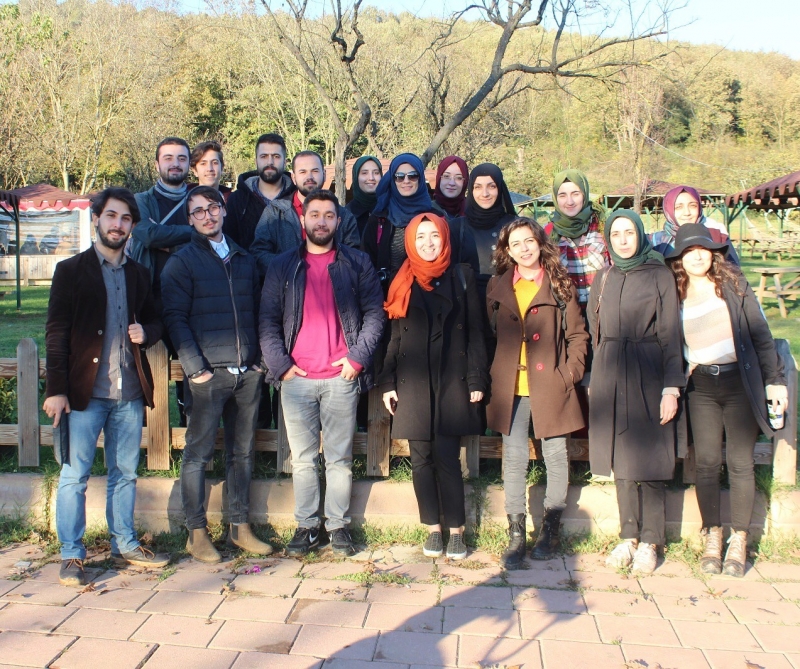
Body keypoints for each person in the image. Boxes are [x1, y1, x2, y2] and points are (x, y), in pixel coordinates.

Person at [43, 187, 169, 587]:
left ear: (132, 226)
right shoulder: (70, 271)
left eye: (126, 219)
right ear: (96, 218)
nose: (118, 225)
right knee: (74, 476)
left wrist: (146, 332)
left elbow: (158, 321)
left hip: (128, 392)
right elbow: (56, 333)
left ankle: (124, 545)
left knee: (125, 472)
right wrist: (56, 390)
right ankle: (71, 554)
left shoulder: (140, 274)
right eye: (112, 216)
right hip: (84, 394)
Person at [260, 189, 385, 556]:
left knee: (339, 459)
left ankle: (338, 526)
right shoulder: (283, 265)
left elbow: (375, 314)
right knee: (302, 459)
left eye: (329, 215)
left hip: (340, 378)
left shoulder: (357, 262)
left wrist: (356, 359)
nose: (321, 221)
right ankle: (307, 526)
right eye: (314, 214)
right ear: (303, 220)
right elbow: (267, 320)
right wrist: (281, 366)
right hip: (296, 379)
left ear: (338, 221)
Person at [666, 224, 787, 577]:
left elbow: (761, 335)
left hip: (739, 384)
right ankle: (712, 534)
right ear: (680, 259)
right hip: (702, 386)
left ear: (712, 254)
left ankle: (740, 538)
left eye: (702, 249)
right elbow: (669, 340)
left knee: (740, 462)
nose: (696, 256)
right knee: (705, 462)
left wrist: (775, 381)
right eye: (688, 252)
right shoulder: (675, 294)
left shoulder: (733, 286)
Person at [161, 186, 273, 563]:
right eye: (198, 212)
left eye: (212, 208)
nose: (207, 216)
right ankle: (196, 533)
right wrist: (197, 369)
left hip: (247, 374)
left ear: (223, 210)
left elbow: (260, 310)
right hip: (209, 375)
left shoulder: (243, 258)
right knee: (198, 454)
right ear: (189, 219)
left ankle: (239, 527)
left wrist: (258, 361)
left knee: (242, 453)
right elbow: (175, 319)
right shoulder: (182, 262)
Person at [379, 213, 488, 560]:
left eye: (434, 236)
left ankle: (456, 531)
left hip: (451, 379)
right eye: (420, 237)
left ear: (445, 239)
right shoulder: (402, 282)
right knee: (421, 459)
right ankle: (432, 529)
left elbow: (476, 332)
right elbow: (394, 337)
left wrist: (477, 377)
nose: (428, 243)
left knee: (448, 458)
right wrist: (387, 381)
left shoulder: (462, 277)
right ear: (411, 242)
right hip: (414, 381)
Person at [486, 218, 589, 568]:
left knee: (556, 455)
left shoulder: (559, 283)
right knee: (514, 458)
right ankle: (516, 533)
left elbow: (577, 335)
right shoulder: (498, 286)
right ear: (508, 250)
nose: (524, 248)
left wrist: (569, 375)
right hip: (510, 388)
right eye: (516, 243)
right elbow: (490, 334)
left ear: (539, 243)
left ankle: (550, 530)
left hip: (550, 385)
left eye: (529, 241)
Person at [587, 209, 684, 576]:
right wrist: (598, 375)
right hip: (611, 368)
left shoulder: (659, 274)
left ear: (640, 234)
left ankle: (651, 539)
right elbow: (595, 328)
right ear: (609, 239)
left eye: (629, 232)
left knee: (652, 456)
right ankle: (628, 535)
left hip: (649, 368)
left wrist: (671, 386)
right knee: (622, 455)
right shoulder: (604, 277)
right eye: (616, 234)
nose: (623, 240)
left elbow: (671, 332)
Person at [362, 153, 478, 294]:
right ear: (392, 179)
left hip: (429, 296)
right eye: (399, 176)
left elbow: (447, 260)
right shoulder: (380, 219)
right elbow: (366, 264)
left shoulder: (436, 217)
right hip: (389, 297)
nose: (406, 181)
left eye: (413, 176)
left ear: (421, 178)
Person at [251, 150, 360, 277]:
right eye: (303, 172)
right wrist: (293, 269)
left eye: (315, 171)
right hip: (285, 286)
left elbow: (354, 258)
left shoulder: (344, 216)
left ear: (324, 174)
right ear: (294, 178)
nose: (310, 177)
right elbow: (258, 253)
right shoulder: (276, 212)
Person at [129, 137, 192, 303]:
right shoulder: (140, 201)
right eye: (168, 158)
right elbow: (149, 235)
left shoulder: (198, 203)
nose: (175, 164)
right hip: (151, 297)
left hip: (192, 296)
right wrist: (193, 231)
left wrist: (170, 246)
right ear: (156, 165)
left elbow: (208, 243)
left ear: (189, 164)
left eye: (182, 159)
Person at [451, 163, 517, 302]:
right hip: (470, 304)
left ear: (500, 188)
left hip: (509, 303)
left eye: (491, 186)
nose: (485, 193)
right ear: (471, 190)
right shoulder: (456, 227)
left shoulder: (515, 225)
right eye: (478, 187)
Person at [549, 170, 609, 312]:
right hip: (567, 317)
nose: (569, 201)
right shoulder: (548, 233)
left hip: (604, 314)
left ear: (584, 194)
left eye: (575, 194)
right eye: (562, 195)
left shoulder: (603, 226)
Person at [223, 133, 294, 252]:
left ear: (285, 162)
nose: (270, 162)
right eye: (264, 156)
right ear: (256, 161)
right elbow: (229, 244)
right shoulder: (237, 200)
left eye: (276, 156)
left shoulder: (297, 197)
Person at [651, 185, 739, 264]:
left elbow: (734, 271)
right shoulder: (655, 242)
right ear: (668, 211)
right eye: (678, 207)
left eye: (693, 206)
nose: (687, 213)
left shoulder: (716, 235)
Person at [346, 155, 382, 235]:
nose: (371, 178)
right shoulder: (346, 215)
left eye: (376, 173)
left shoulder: (390, 211)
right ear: (356, 177)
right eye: (364, 173)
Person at [433, 155, 468, 220]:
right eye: (446, 176)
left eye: (458, 178)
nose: (452, 183)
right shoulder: (427, 210)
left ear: (465, 181)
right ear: (439, 178)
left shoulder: (474, 212)